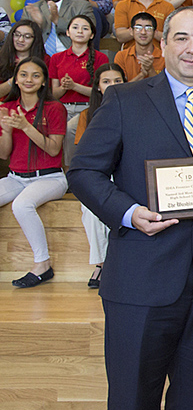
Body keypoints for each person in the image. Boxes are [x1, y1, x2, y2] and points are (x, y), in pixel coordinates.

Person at [68, 6, 193, 410]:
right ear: (163, 43)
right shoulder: (124, 99)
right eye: (181, 38)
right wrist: (129, 211)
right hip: (141, 278)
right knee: (132, 403)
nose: (192, 49)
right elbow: (83, 171)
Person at [0, 57, 68, 288]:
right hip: (15, 177)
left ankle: (43, 264)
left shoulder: (54, 108)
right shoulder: (7, 108)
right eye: (24, 75)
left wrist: (26, 127)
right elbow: (3, 154)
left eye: (35, 75)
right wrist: (7, 131)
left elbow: (53, 149)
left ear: (43, 82)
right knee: (18, 198)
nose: (29, 79)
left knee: (22, 205)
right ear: (16, 80)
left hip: (50, 177)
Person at [73, 62, 126, 289]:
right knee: (90, 209)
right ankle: (103, 263)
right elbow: (85, 159)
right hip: (101, 175)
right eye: (106, 81)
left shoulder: (137, 109)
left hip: (127, 173)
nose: (112, 86)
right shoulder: (88, 115)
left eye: (117, 81)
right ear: (97, 87)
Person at [25, 0, 99, 56]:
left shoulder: (81, 6)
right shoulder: (32, 9)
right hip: (40, 58)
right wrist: (38, 25)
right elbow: (24, 37)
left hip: (71, 56)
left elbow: (90, 29)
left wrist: (57, 20)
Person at [0, 20, 47, 98]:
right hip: (6, 105)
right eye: (17, 35)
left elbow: (47, 92)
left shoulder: (45, 59)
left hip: (36, 105)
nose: (20, 40)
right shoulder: (2, 57)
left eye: (27, 37)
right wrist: (16, 77)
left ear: (35, 39)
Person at [113, 12, 165, 82]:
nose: (143, 32)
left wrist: (150, 69)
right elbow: (121, 89)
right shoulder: (121, 56)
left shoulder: (164, 57)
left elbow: (164, 90)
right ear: (131, 31)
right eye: (138, 28)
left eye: (148, 28)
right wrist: (142, 74)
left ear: (155, 32)